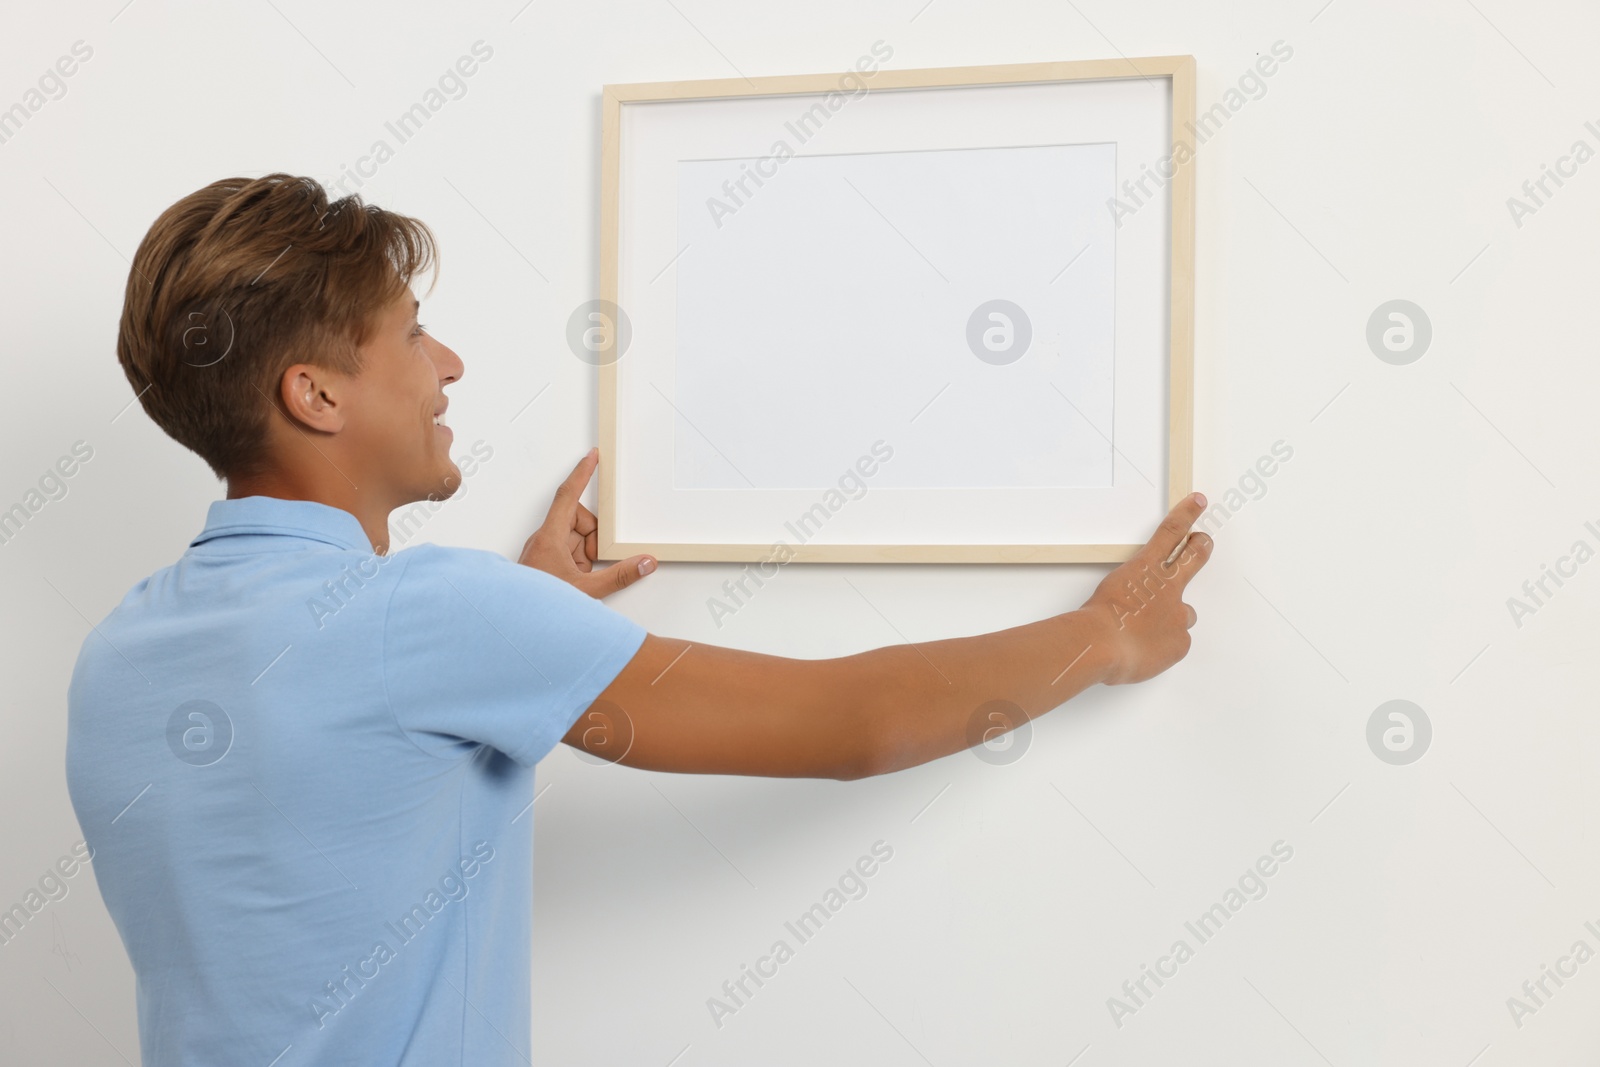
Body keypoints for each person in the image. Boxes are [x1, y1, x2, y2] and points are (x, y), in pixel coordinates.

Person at [65, 173, 1212, 1066]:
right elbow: (849, 722)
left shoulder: (120, 648)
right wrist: (1105, 634)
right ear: (314, 394)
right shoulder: (432, 621)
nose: (449, 363)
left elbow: (333, 794)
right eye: (412, 332)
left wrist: (532, 617)